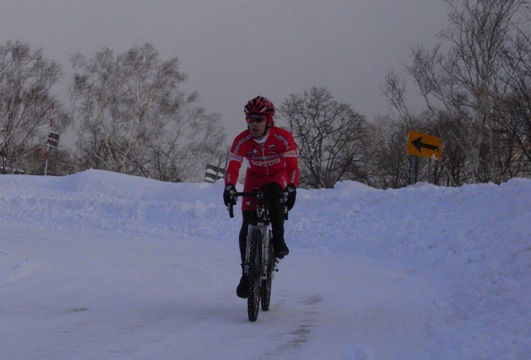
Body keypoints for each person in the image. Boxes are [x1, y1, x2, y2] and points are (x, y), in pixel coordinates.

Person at [223, 96, 299, 299]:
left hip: (277, 175)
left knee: (275, 196)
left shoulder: (282, 137)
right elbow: (232, 167)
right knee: (247, 220)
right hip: (254, 177)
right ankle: (246, 273)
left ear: (268, 120)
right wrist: (229, 187)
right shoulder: (242, 141)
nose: (253, 124)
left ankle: (279, 240)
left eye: (258, 119)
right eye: (249, 119)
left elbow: (292, 167)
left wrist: (291, 188)